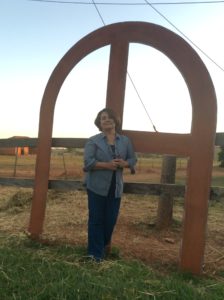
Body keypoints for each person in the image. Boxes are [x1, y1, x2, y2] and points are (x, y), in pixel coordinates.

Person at [83, 108, 137, 261]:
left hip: (116, 188)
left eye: (109, 117)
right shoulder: (93, 141)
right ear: (99, 123)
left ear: (115, 120)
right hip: (96, 186)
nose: (106, 120)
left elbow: (133, 160)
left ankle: (100, 246)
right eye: (102, 118)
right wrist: (107, 165)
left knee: (110, 220)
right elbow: (87, 163)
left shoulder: (125, 141)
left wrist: (125, 163)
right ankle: (94, 255)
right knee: (96, 220)